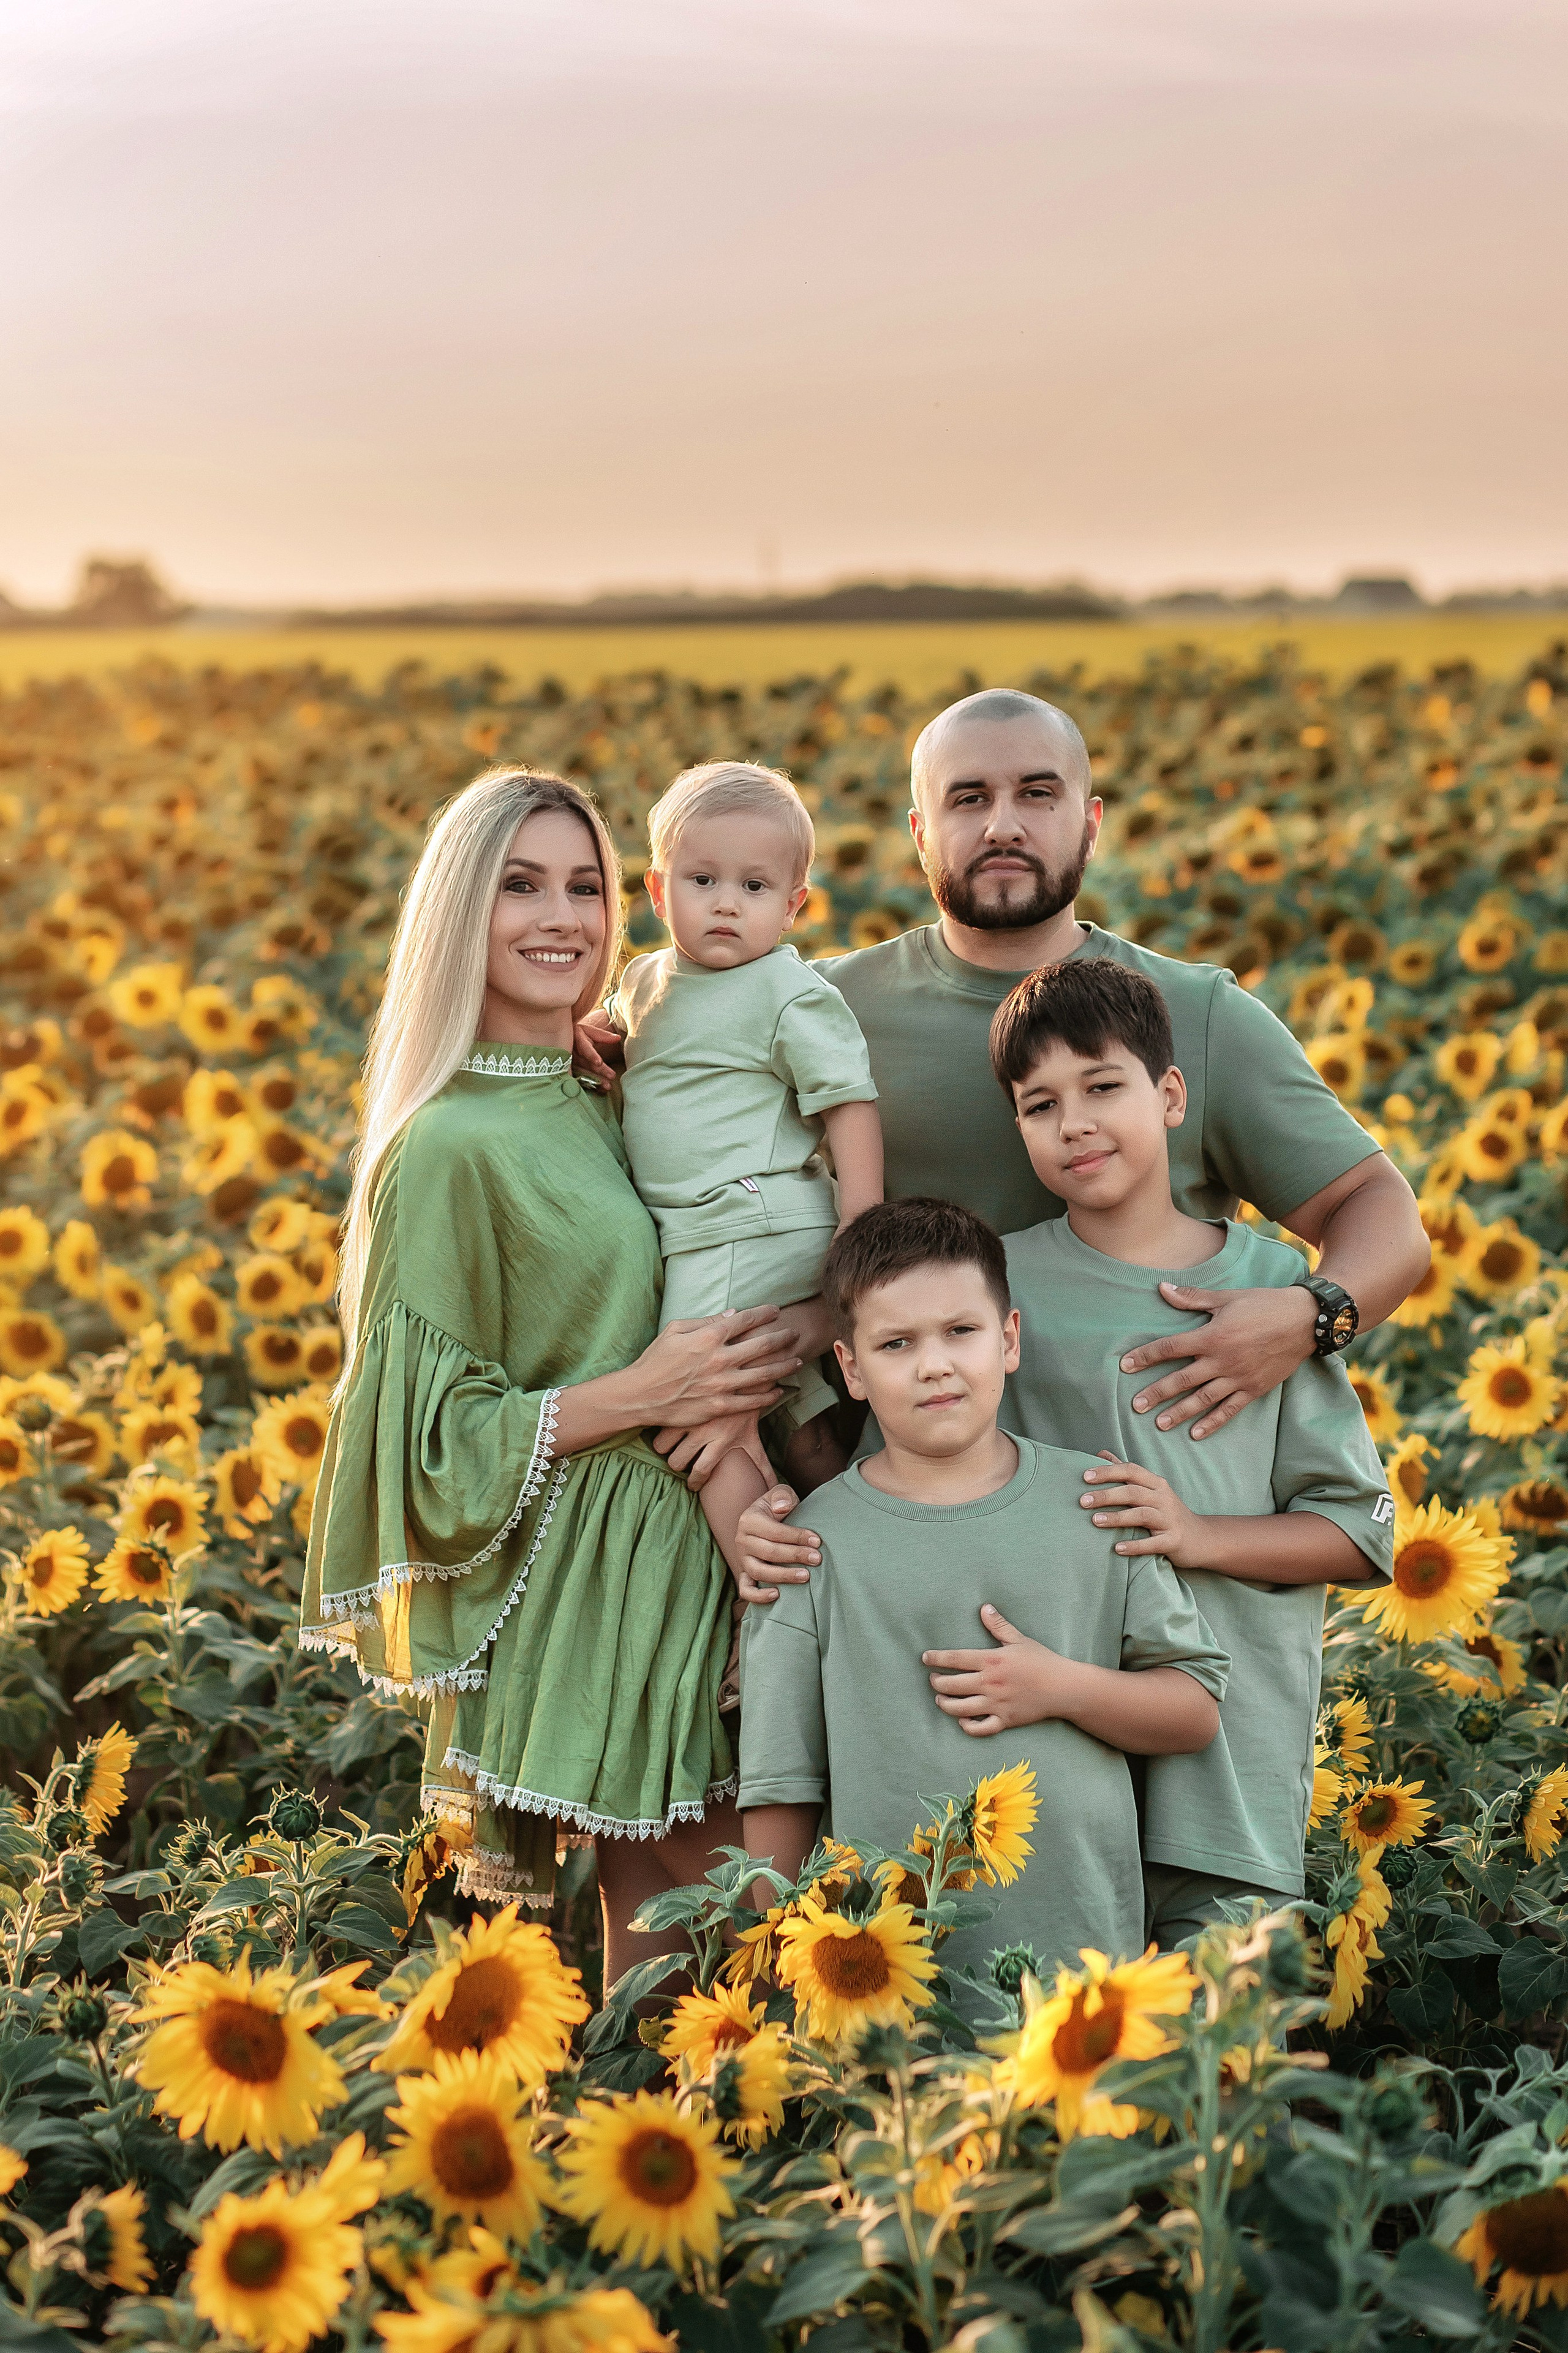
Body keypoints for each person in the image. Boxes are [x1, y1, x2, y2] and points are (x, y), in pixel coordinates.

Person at [756, 962, 1396, 1949]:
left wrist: (1195, 1535)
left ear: (1171, 1095)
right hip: (1037, 1774)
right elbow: (906, 1496)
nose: (1077, 1123)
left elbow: (1359, 1534)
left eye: (1103, 1087)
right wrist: (778, 1524)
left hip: (1226, 1760)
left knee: (1219, 2020)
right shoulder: (992, 1292)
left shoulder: (1269, 1294)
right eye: (1042, 1104)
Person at [299, 766, 805, 1984]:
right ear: (458, 913)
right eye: (520, 886)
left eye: (585, 887)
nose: (561, 918)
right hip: (606, 1575)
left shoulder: (611, 1078)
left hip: (708, 1534)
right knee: (754, 1930)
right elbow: (424, 1446)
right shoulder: (447, 1144)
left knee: (679, 1948)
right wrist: (651, 1390)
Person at [821, 687, 1430, 1441]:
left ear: (1090, 823)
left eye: (1037, 794)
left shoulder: (1196, 1013)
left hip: (1157, 1468)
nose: (1002, 824)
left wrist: (1308, 1317)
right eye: (968, 798)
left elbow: (1377, 1206)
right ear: (920, 833)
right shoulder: (818, 1013)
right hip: (899, 1482)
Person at [737, 1199, 1229, 2001]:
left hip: (1082, 1979)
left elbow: (1194, 1709)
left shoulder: (1097, 1504)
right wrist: (786, 1976)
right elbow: (780, 1784)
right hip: (885, 1992)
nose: (934, 1365)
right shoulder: (809, 1547)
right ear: (851, 1368)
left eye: (960, 1331)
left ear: (1009, 1339)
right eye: (897, 1344)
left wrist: (1060, 1687)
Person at [601, 760, 882, 1560]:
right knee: (790, 1405)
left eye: (754, 887)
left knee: (693, 1397)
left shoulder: (785, 991)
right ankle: (854, 1538)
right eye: (703, 880)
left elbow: (849, 1101)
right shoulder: (645, 981)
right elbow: (619, 1039)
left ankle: (758, 1578)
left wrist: (862, 1223)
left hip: (742, 1221)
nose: (726, 902)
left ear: (794, 906)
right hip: (716, 1227)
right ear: (659, 894)